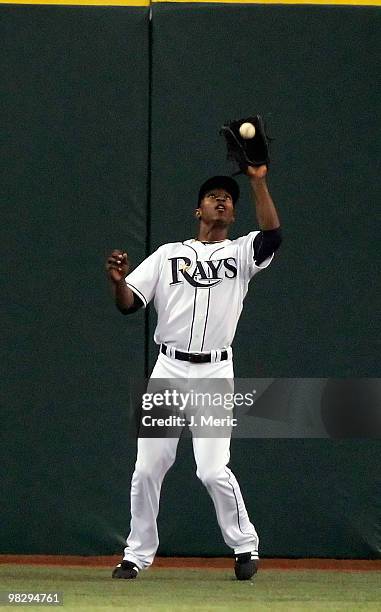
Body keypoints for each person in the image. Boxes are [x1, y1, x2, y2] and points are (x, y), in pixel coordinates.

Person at [105, 164, 282, 581]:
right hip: (168, 367)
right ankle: (136, 553)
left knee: (212, 469)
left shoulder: (241, 253)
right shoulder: (168, 254)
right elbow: (130, 303)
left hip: (215, 372)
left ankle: (245, 546)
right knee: (147, 468)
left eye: (227, 199)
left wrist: (256, 181)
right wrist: (117, 283)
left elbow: (273, 234)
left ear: (233, 215)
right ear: (197, 210)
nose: (221, 200)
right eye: (212, 196)